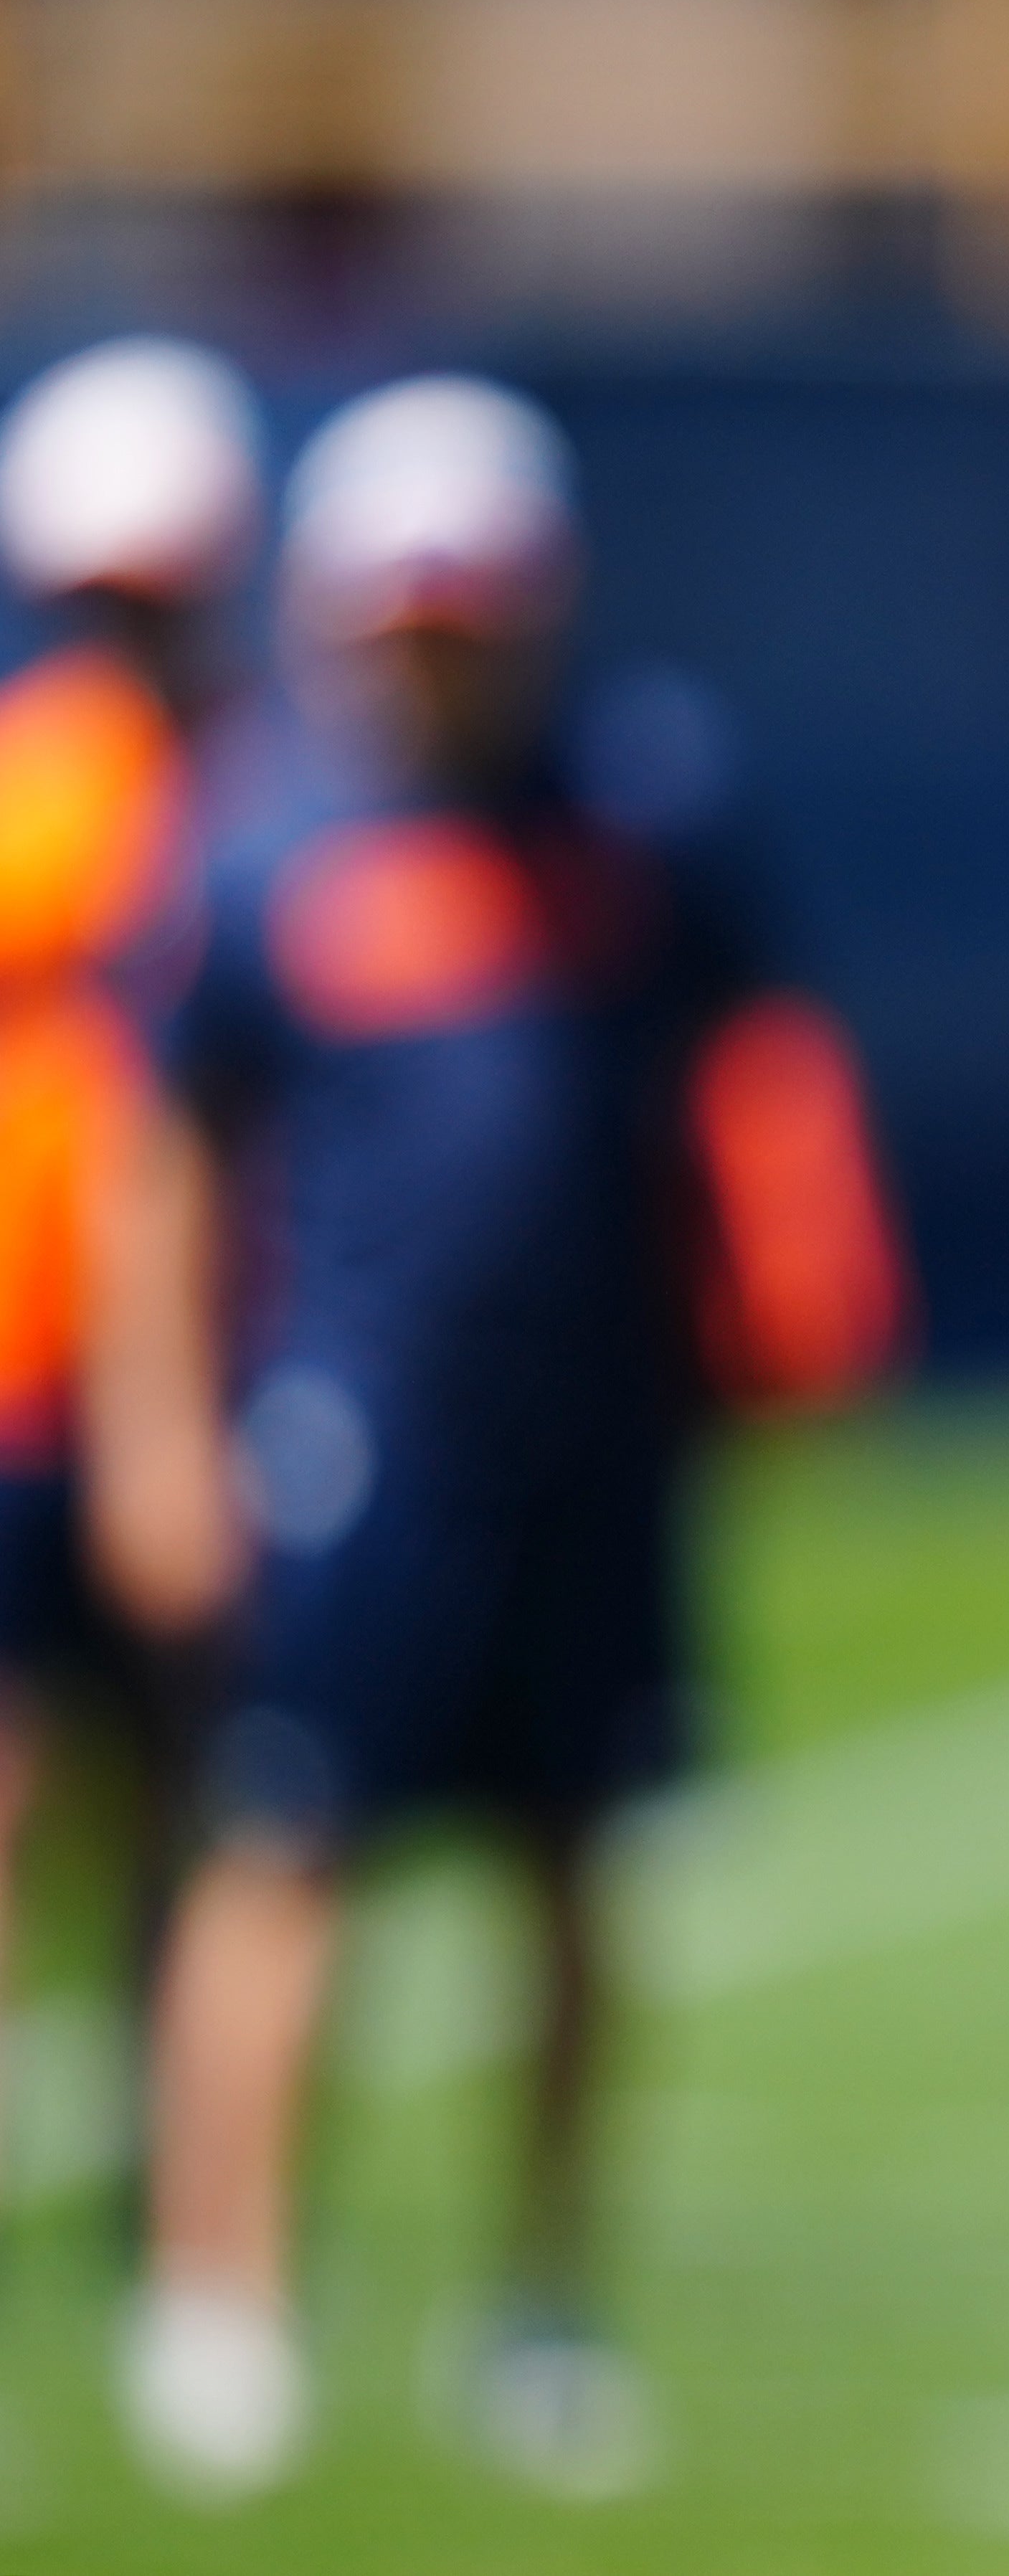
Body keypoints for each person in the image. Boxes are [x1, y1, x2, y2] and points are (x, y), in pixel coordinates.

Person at [89, 374, 894, 2503]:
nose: (442, 657)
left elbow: (759, 1070)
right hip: (356, 1435)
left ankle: (543, 2297)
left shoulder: (643, 826)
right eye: (410, 619)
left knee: (571, 1870)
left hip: (599, 1425)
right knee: (287, 1856)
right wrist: (159, 1427)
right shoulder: (262, 840)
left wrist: (795, 1294)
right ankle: (218, 2288)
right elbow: (163, 1154)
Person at [0, 336, 262, 2194]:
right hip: (22, 1364)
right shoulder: (38, 793)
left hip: (219, 1359)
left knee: (203, 1789)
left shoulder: (271, 794)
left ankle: (175, 2163)